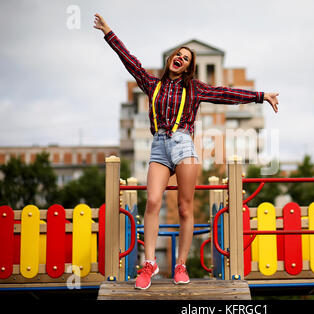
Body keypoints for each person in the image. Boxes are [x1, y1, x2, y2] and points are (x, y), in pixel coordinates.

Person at [94, 13, 279, 290]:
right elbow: (128, 59)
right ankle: (150, 263)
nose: (180, 58)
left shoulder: (194, 88)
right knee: (154, 201)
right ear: (171, 59)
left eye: (186, 57)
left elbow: (224, 94)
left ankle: (180, 264)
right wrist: (108, 31)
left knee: (184, 207)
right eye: (177, 54)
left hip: (184, 146)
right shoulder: (151, 84)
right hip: (159, 146)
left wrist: (261, 96)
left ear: (188, 67)